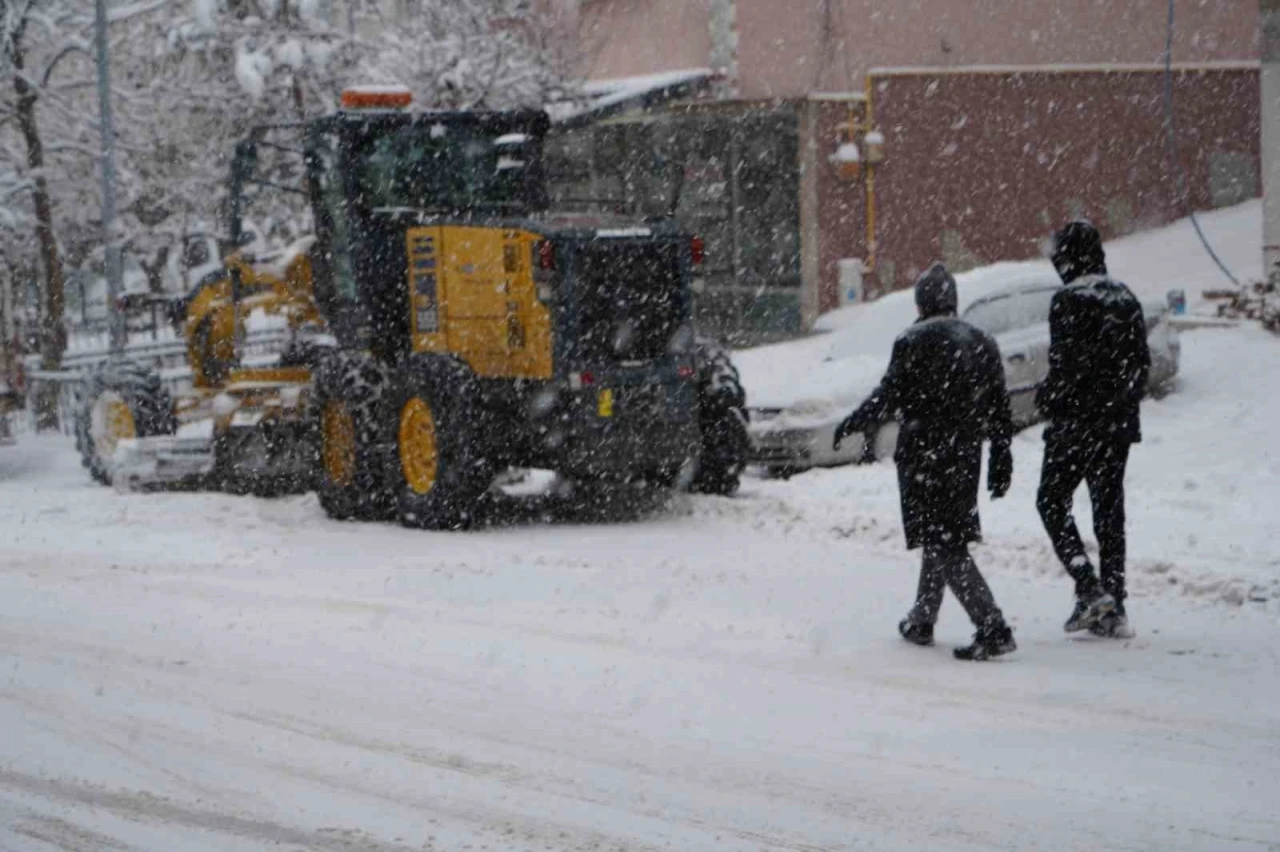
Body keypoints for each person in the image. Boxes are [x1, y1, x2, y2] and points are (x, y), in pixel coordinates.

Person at [834, 263, 1016, 661]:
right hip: (966, 453)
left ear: (921, 301)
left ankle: (992, 625)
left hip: (923, 454)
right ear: (952, 300)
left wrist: (854, 421)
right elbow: (999, 407)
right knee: (945, 536)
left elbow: (889, 395)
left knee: (943, 541)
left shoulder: (911, 341)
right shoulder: (981, 340)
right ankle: (922, 618)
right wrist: (1002, 454)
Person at [1036, 220, 1150, 639]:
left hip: (1075, 424)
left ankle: (1088, 585)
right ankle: (1114, 605)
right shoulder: (1125, 297)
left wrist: (1050, 399)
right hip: (1116, 426)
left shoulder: (1068, 300)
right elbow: (1140, 365)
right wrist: (1121, 402)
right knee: (1109, 512)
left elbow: (1066, 366)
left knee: (1051, 501)